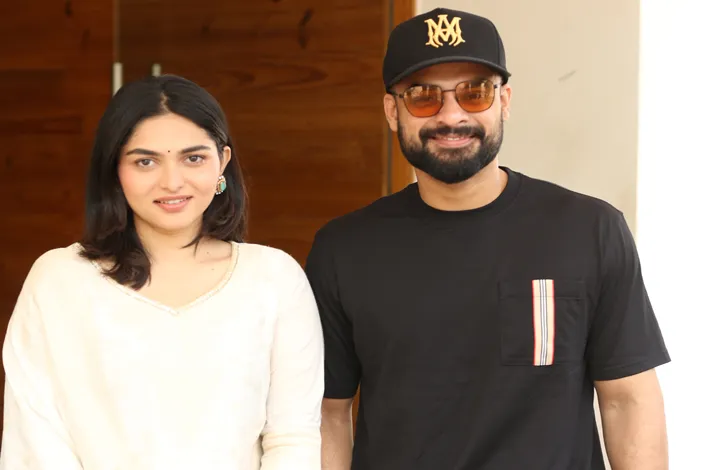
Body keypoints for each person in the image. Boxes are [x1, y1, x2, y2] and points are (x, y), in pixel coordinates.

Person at [307, 7, 670, 470]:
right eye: (423, 97)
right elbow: (328, 414)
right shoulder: (343, 250)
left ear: (504, 101)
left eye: (475, 93)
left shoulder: (589, 230)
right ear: (392, 111)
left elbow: (627, 400)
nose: (451, 116)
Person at [0, 75, 324, 469]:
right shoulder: (59, 281)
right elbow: (36, 443)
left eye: (193, 158)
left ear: (222, 162)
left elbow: (293, 439)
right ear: (114, 169)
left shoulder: (274, 279)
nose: (172, 182)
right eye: (146, 161)